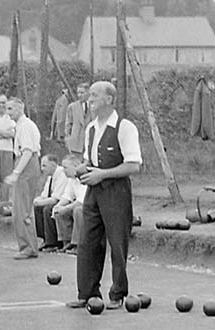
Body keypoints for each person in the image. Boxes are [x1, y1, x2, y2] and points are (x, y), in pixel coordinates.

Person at [66, 81, 142, 310]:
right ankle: (87, 292)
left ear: (109, 99)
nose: (90, 100)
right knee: (87, 241)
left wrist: (103, 175)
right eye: (89, 95)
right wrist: (81, 169)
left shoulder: (124, 127)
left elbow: (133, 165)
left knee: (117, 242)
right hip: (93, 191)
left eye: (95, 95)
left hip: (116, 191)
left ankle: (118, 293)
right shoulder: (91, 128)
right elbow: (91, 161)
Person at [4, 97, 41, 260]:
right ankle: (28, 244)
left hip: (27, 165)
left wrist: (16, 172)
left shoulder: (26, 126)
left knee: (22, 209)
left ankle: (28, 247)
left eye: (11, 109)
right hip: (25, 164)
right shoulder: (19, 126)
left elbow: (27, 151)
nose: (8, 112)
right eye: (7, 109)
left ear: (21, 108)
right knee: (21, 208)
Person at [52, 154, 87, 255]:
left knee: (78, 210)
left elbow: (81, 201)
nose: (63, 170)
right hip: (78, 204)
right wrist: (58, 206)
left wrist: (65, 208)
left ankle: (77, 244)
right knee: (59, 211)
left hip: (88, 206)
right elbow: (67, 196)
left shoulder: (84, 177)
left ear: (75, 166)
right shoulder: (71, 180)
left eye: (66, 167)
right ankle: (66, 241)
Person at [33, 154, 68, 252]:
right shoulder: (50, 177)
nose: (42, 169)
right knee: (37, 208)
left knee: (47, 209)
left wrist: (39, 202)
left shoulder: (62, 174)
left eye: (45, 165)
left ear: (53, 165)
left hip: (64, 201)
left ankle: (53, 242)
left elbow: (55, 199)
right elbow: (44, 195)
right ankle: (44, 238)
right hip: (55, 200)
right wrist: (35, 201)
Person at [64, 83, 91, 159]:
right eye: (78, 93)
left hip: (89, 142)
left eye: (82, 93)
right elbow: (68, 124)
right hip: (76, 143)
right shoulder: (72, 107)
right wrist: (68, 139)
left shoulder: (94, 107)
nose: (79, 95)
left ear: (88, 93)